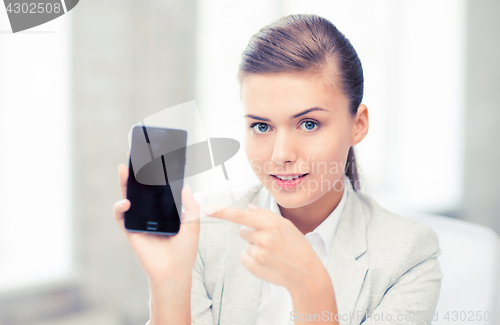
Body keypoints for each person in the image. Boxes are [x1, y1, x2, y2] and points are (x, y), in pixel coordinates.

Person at [113, 14, 442, 325]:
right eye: (261, 126)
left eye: (309, 124)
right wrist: (169, 285)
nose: (281, 154)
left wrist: (311, 287)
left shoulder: (409, 256)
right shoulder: (204, 231)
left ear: (358, 124)